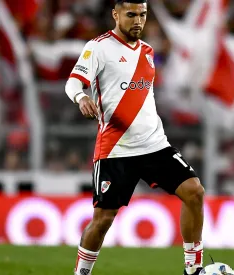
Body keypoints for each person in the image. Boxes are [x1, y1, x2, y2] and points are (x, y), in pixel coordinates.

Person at [65, 1, 205, 274]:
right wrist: (81, 97)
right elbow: (73, 82)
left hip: (154, 145)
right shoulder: (98, 47)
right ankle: (81, 272)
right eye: (131, 15)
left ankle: (193, 268)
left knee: (194, 192)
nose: (138, 20)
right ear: (116, 15)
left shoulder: (148, 51)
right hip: (117, 149)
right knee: (103, 218)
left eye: (142, 14)